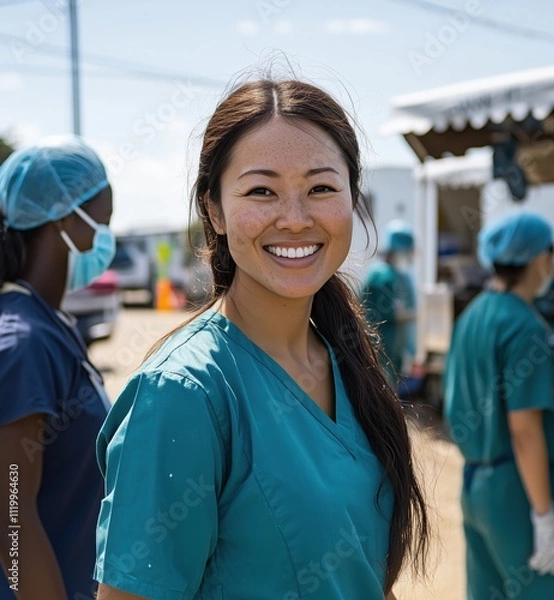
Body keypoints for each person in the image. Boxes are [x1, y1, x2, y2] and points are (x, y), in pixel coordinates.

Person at [94, 79, 429, 600]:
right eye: (261, 191)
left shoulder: (346, 362)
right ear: (215, 211)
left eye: (320, 188)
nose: (295, 219)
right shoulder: (184, 394)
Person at [444, 212, 554, 599]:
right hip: (522, 493)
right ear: (542, 259)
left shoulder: (473, 315)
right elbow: (525, 430)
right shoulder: (524, 326)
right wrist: (545, 518)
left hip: (478, 486)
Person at [0, 136, 115, 600]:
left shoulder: (51, 327)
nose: (106, 239)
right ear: (66, 220)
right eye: (102, 224)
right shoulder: (22, 342)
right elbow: (10, 513)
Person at [360, 220, 416, 385]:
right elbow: (392, 313)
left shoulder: (395, 274)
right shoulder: (382, 276)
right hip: (380, 349)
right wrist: (418, 315)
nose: (410, 256)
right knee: (382, 388)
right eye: (408, 251)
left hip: (391, 350)